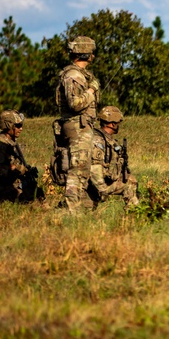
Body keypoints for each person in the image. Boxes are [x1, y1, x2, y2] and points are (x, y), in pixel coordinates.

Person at [55, 36, 99, 212]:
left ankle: (79, 206)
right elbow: (75, 104)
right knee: (77, 168)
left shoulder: (79, 74)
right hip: (77, 126)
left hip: (81, 126)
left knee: (83, 168)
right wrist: (92, 90)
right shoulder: (73, 75)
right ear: (86, 53)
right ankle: (72, 210)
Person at [87, 106, 139, 209]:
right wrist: (102, 190)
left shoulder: (109, 141)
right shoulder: (98, 141)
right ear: (112, 124)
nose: (119, 125)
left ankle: (133, 214)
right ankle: (134, 213)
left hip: (102, 182)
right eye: (118, 122)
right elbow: (94, 168)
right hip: (92, 185)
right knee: (80, 212)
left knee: (130, 181)